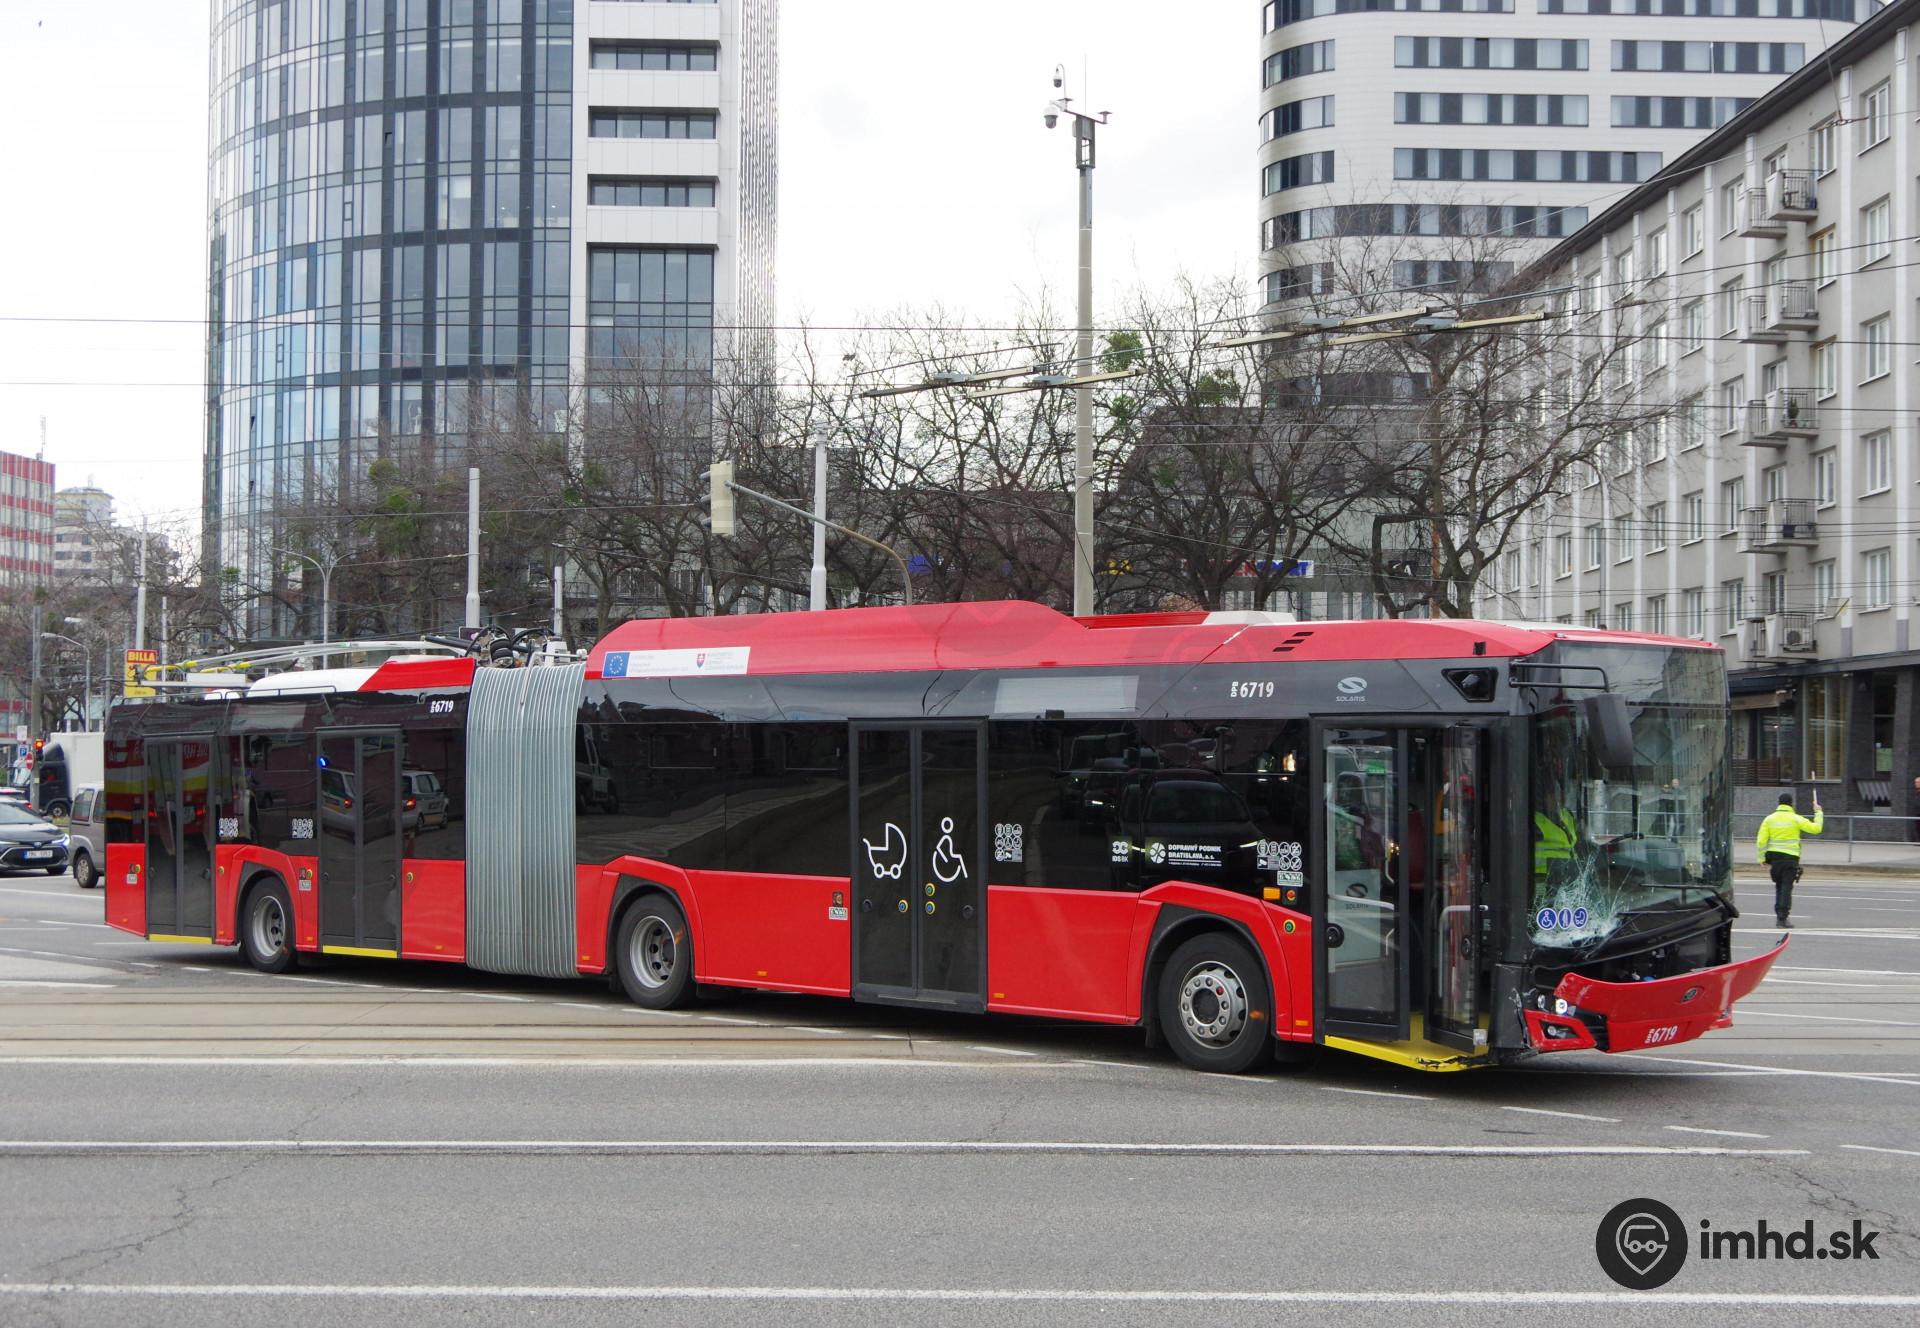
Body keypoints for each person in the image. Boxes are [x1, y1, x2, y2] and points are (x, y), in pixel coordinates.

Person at [1755, 791, 1823, 928]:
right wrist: (1818, 812)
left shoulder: (1769, 819)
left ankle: (1779, 916)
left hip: (1774, 859)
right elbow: (1816, 829)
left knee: (1779, 887)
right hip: (1791, 858)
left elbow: (1761, 841)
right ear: (1791, 804)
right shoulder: (1795, 818)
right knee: (1786, 887)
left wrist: (1762, 858)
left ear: (1779, 803)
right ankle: (1782, 918)